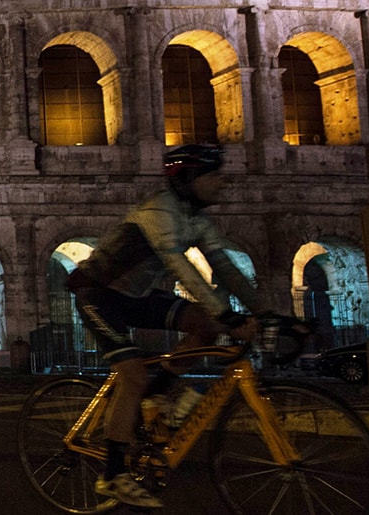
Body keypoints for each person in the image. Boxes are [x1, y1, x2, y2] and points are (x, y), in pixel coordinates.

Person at [68, 145, 266, 508]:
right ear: (189, 179)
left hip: (139, 296)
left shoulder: (196, 220)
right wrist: (230, 316)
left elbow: (225, 269)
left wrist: (268, 313)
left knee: (205, 327)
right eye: (213, 176)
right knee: (132, 375)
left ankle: (158, 392)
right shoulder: (159, 211)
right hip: (98, 294)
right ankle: (112, 475)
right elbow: (182, 268)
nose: (222, 183)